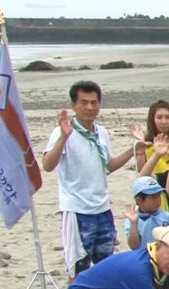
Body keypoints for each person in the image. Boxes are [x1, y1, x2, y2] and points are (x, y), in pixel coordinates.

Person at [43, 80, 139, 277]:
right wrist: (63, 137)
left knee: (107, 262)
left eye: (94, 103)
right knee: (78, 265)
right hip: (77, 209)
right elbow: (48, 165)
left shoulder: (101, 132)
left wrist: (133, 151)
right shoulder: (62, 132)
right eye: (84, 102)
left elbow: (107, 166)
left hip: (102, 208)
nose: (89, 108)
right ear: (74, 105)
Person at [122, 176, 169, 250]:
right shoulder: (132, 219)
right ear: (139, 200)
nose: (158, 200)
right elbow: (133, 246)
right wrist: (134, 224)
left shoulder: (166, 217)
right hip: (141, 256)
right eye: (153, 197)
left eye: (159, 195)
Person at [133, 100, 169, 171]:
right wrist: (141, 146)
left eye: (167, 117)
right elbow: (140, 170)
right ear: (152, 119)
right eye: (159, 118)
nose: (164, 122)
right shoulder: (146, 142)